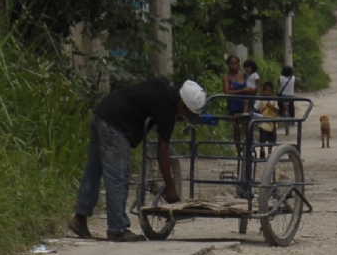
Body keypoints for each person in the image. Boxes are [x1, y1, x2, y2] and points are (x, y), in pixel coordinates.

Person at [69, 77, 208, 242]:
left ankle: (80, 218)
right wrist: (171, 190)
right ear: (181, 104)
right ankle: (117, 229)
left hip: (101, 113)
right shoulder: (166, 111)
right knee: (119, 177)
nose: (184, 117)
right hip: (115, 126)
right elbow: (163, 155)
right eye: (186, 113)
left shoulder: (162, 86)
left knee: (93, 170)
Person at [222, 54, 248, 150]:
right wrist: (243, 91)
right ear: (228, 65)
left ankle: (248, 145)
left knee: (247, 125)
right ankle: (238, 149)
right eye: (231, 64)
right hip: (233, 105)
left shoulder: (244, 75)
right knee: (236, 128)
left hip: (245, 104)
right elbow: (227, 92)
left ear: (239, 64)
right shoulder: (226, 77)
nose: (234, 66)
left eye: (235, 63)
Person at [255, 80, 280, 157]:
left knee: (271, 139)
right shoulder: (260, 100)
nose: (268, 92)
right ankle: (262, 150)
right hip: (263, 121)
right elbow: (255, 108)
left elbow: (277, 110)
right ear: (263, 91)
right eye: (266, 90)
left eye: (270, 91)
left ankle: (269, 153)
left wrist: (271, 107)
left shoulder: (274, 100)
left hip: (272, 122)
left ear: (272, 91)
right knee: (262, 138)